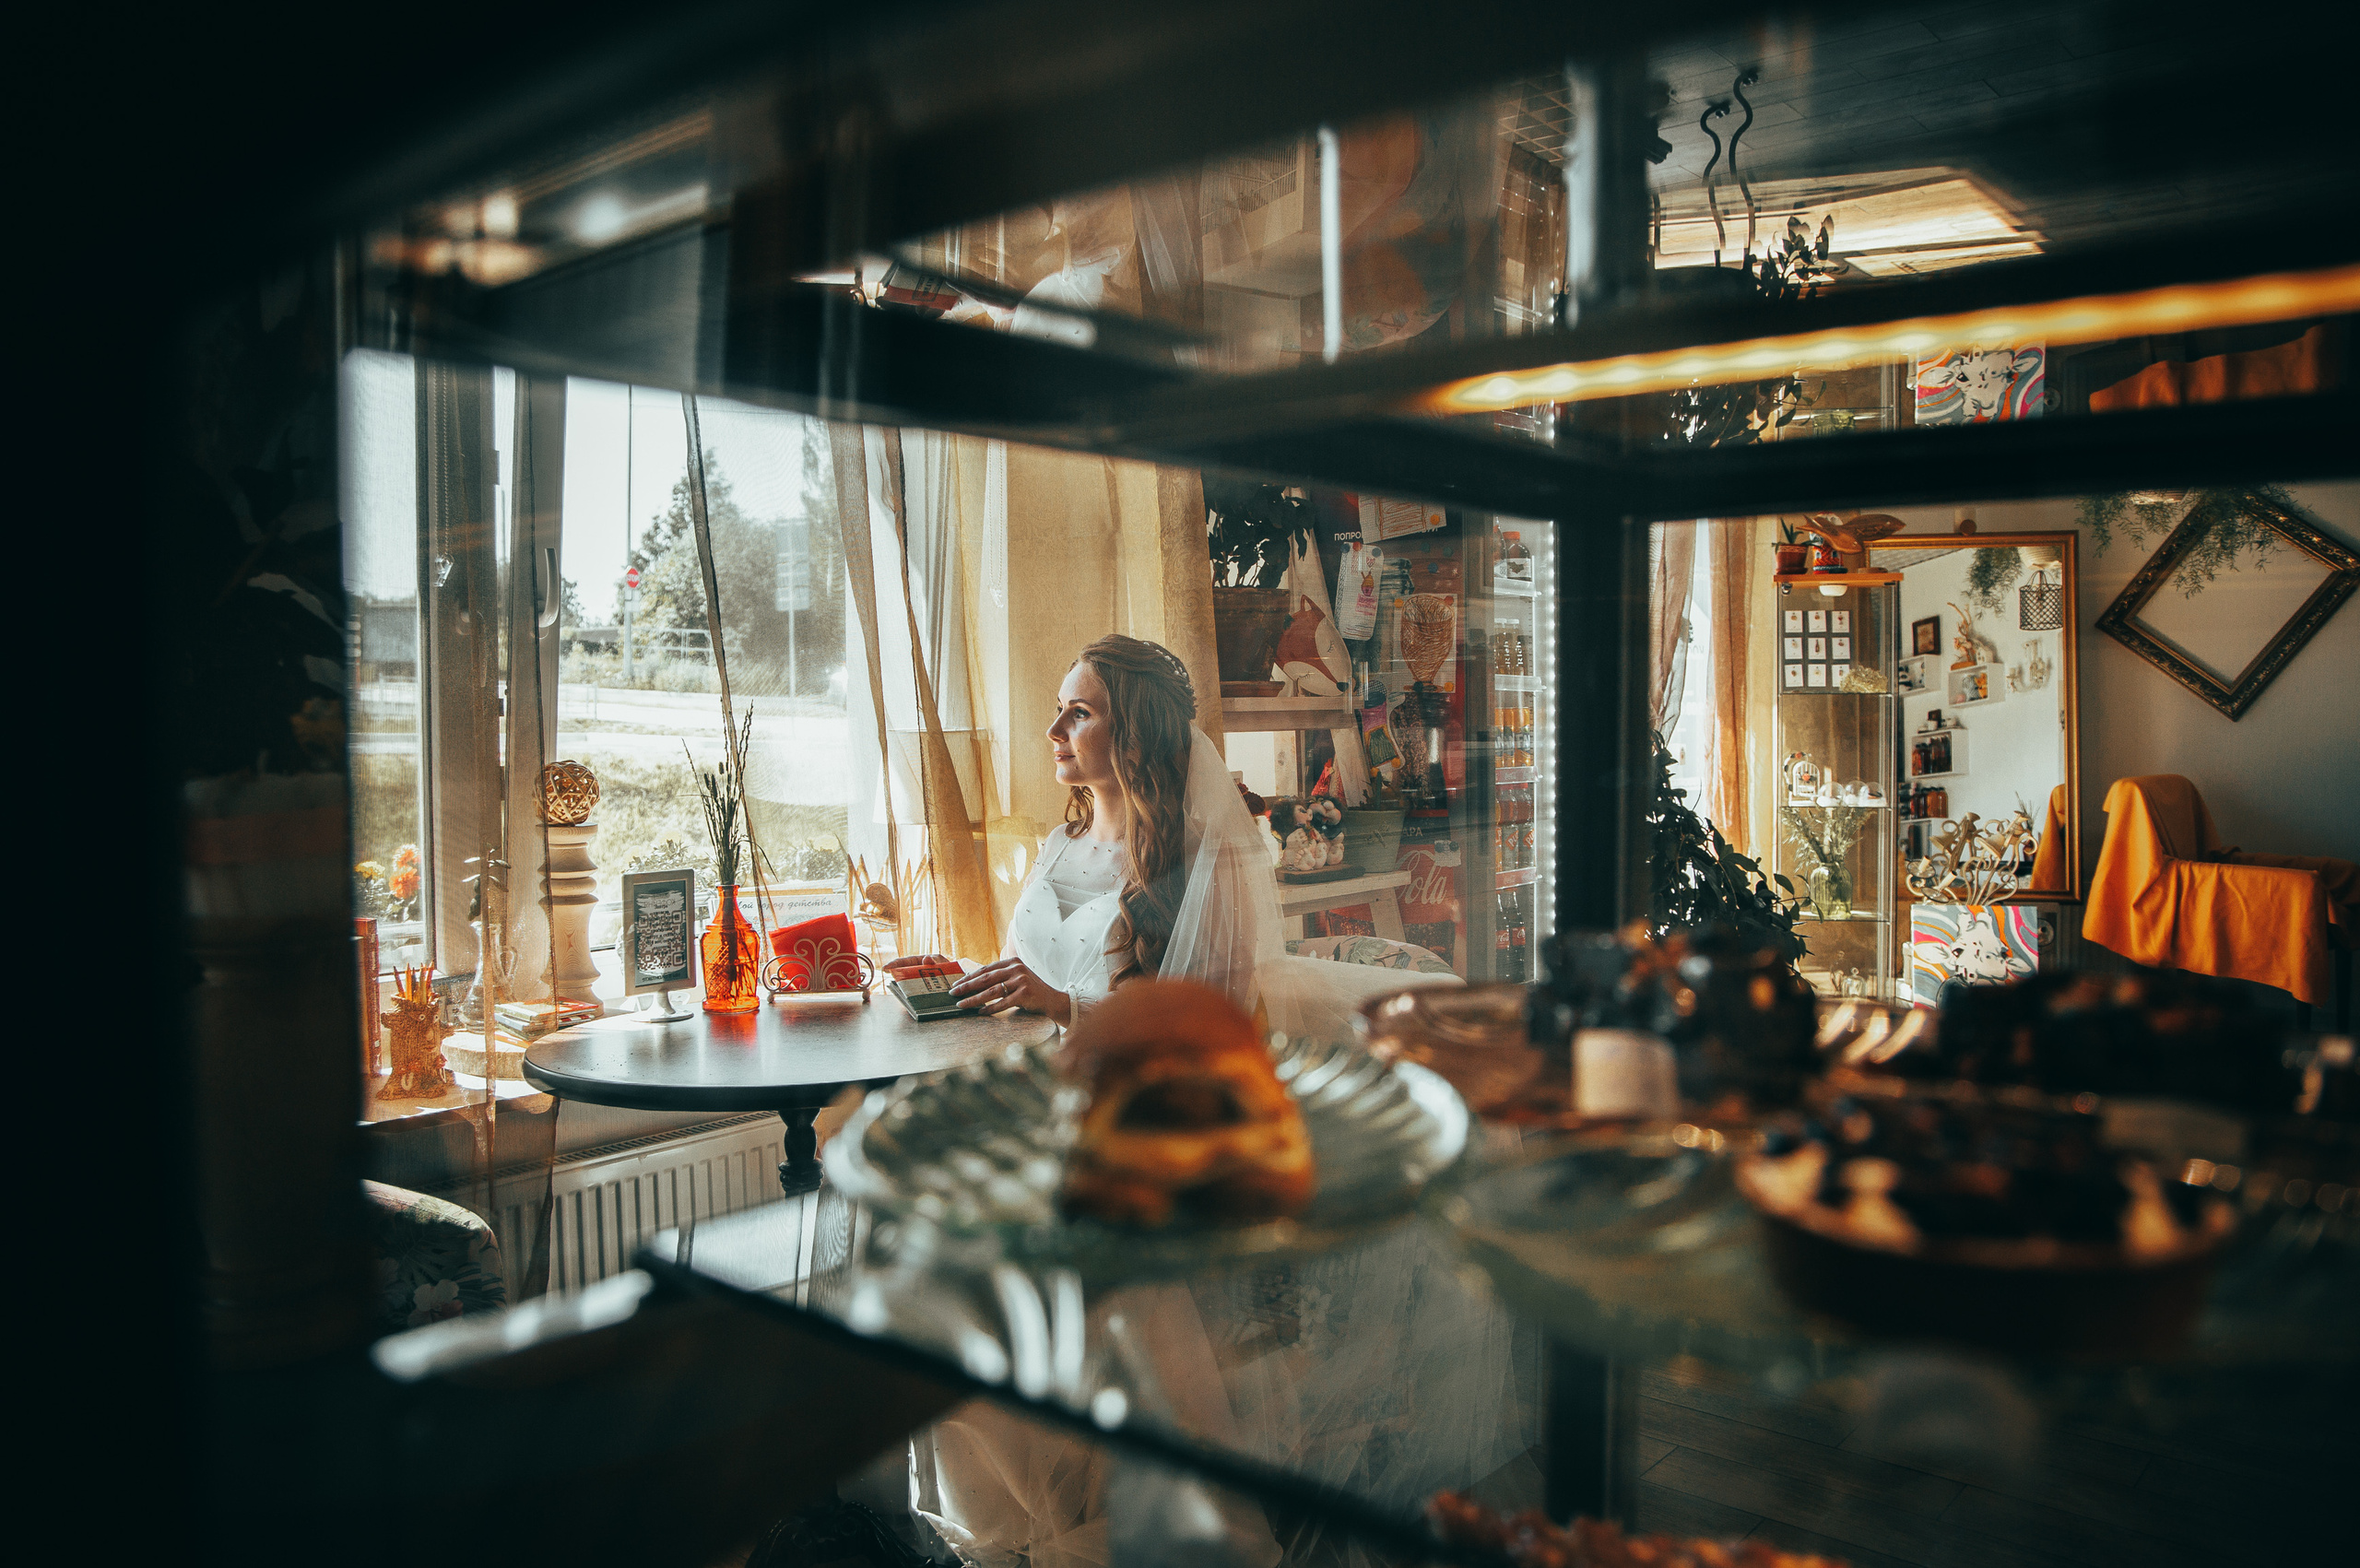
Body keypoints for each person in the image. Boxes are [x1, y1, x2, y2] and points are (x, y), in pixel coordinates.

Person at [873, 634, 1530, 1566]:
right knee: (946, 1229)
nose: (1055, 727)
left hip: (1168, 1106)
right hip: (1065, 1092)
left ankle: (1156, 1514)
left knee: (1055, 1254)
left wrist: (1065, 1007)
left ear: (1131, 728)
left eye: (1081, 711)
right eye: (1060, 708)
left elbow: (1210, 1019)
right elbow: (1042, 976)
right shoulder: (1057, 843)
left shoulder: (1198, 854)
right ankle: (1005, 1522)